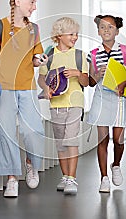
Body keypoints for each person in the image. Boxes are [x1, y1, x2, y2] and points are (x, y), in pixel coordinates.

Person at [0, 0, 47, 198]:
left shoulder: (34, 29)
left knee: (32, 130)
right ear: (17, 1)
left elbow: (36, 61)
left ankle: (31, 162)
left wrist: (40, 59)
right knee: (6, 133)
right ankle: (11, 177)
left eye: (35, 3)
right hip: (3, 88)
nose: (34, 7)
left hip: (27, 87)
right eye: (32, 2)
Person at [87, 15, 126, 193]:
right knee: (102, 140)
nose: (106, 30)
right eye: (102, 27)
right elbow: (90, 82)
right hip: (101, 99)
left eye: (110, 27)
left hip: (118, 99)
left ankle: (116, 165)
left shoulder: (124, 51)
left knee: (118, 139)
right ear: (98, 31)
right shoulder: (93, 54)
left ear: (117, 31)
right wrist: (97, 75)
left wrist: (125, 83)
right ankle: (104, 178)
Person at [38, 17, 88, 195]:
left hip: (75, 103)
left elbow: (86, 81)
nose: (75, 37)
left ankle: (72, 179)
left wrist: (77, 73)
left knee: (71, 139)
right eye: (71, 34)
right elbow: (42, 78)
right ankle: (65, 176)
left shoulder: (79, 55)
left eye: (76, 34)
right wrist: (45, 89)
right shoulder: (49, 56)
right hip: (56, 105)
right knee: (60, 143)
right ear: (59, 35)